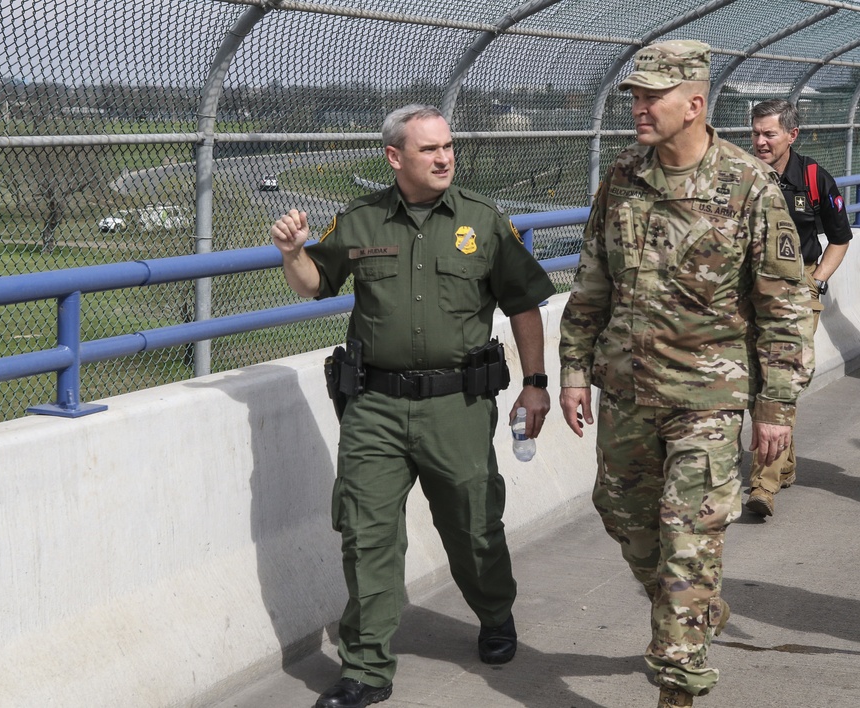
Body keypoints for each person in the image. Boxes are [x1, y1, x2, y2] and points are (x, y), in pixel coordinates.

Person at [271, 104, 556, 708]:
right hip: (373, 406)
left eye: (448, 146)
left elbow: (523, 303)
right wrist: (292, 250)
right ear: (395, 157)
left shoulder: (480, 221)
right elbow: (314, 282)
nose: (444, 157)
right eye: (429, 150)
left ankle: (495, 613)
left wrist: (535, 381)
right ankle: (366, 669)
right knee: (366, 534)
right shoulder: (362, 219)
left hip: (457, 403)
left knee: (472, 524)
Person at [558, 41, 813, 708]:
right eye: (635, 98)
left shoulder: (747, 186)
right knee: (621, 515)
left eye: (652, 98)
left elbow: (785, 308)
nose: (639, 109)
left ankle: (679, 682)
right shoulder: (621, 179)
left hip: (709, 399)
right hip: (628, 391)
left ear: (694, 104)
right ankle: (698, 614)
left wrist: (776, 410)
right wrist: (574, 369)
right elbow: (591, 283)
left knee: (685, 544)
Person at [746, 98, 853, 517]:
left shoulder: (813, 178)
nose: (760, 141)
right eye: (755, 133)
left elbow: (840, 238)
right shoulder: (739, 176)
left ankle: (763, 485)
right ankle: (782, 464)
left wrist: (816, 282)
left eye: (769, 134)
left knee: (781, 381)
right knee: (758, 385)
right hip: (747, 293)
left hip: (796, 293)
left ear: (792, 135)